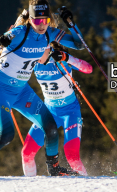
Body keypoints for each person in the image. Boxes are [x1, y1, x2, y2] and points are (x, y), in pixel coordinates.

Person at [0, 0, 84, 176]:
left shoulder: (50, 34)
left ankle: (54, 169)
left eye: (45, 20)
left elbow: (78, 44)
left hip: (22, 92)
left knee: (51, 128)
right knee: (6, 135)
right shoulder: (19, 33)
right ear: (30, 19)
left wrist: (70, 23)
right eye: (37, 20)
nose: (41, 25)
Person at [22, 42, 92, 176]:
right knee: (27, 153)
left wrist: (67, 58)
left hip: (70, 112)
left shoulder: (59, 58)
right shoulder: (32, 60)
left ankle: (86, 187)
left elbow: (88, 69)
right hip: (48, 111)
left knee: (72, 155)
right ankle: (30, 187)